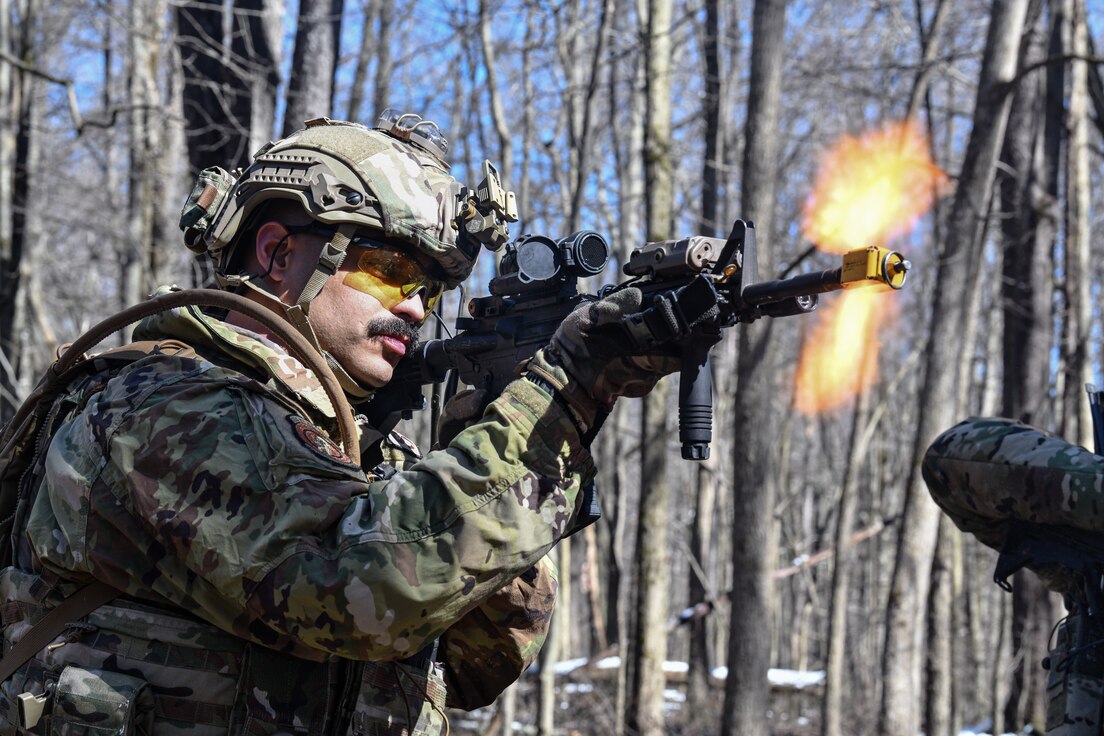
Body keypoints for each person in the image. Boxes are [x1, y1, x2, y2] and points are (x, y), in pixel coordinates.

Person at [0, 114, 677, 735]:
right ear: (276, 252)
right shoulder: (160, 408)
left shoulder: (357, 454)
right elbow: (358, 588)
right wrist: (558, 396)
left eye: (430, 290)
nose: (416, 309)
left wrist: (490, 438)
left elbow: (482, 659)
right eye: (390, 270)